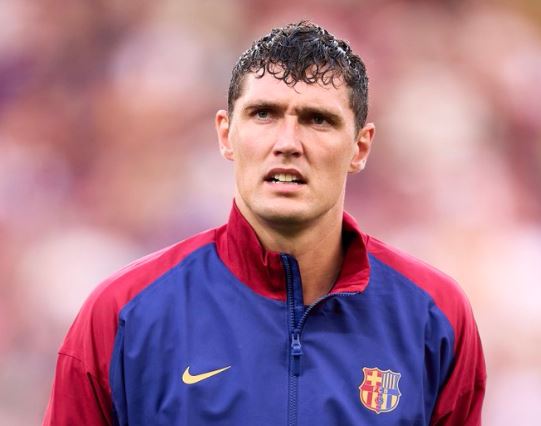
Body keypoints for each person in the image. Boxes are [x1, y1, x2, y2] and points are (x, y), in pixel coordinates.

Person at [43, 21, 486, 425]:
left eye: (317, 119)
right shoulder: (124, 315)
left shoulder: (434, 317)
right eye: (263, 114)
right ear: (225, 134)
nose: (288, 143)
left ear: (360, 147)